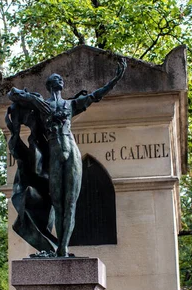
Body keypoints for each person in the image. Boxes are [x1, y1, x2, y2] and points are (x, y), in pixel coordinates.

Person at [7, 59, 126, 257]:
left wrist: (115, 79)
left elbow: (96, 95)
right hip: (54, 155)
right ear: (49, 85)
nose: (59, 80)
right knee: (57, 203)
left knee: (70, 202)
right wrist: (34, 100)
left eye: (61, 79)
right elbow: (12, 94)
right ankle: (58, 248)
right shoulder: (41, 104)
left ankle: (63, 248)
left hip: (72, 152)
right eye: (56, 78)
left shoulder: (71, 104)